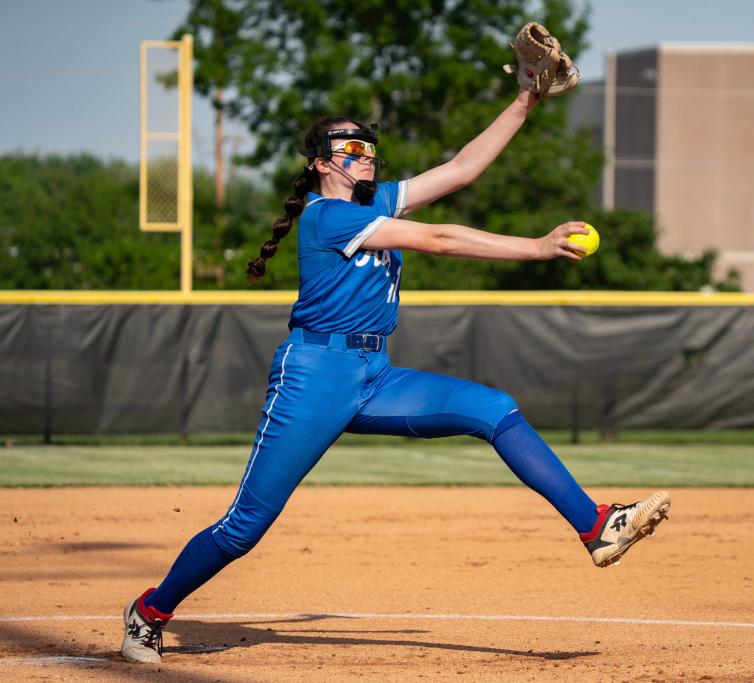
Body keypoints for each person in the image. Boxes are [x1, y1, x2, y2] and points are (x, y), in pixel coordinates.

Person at [121, 87, 670, 664]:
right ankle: (150, 613)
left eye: (367, 145)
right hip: (315, 375)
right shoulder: (328, 217)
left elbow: (462, 168)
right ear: (320, 161)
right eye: (348, 145)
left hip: (374, 373)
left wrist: (527, 100)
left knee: (494, 408)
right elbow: (436, 238)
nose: (363, 153)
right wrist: (534, 247)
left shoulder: (376, 201)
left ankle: (596, 527)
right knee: (244, 527)